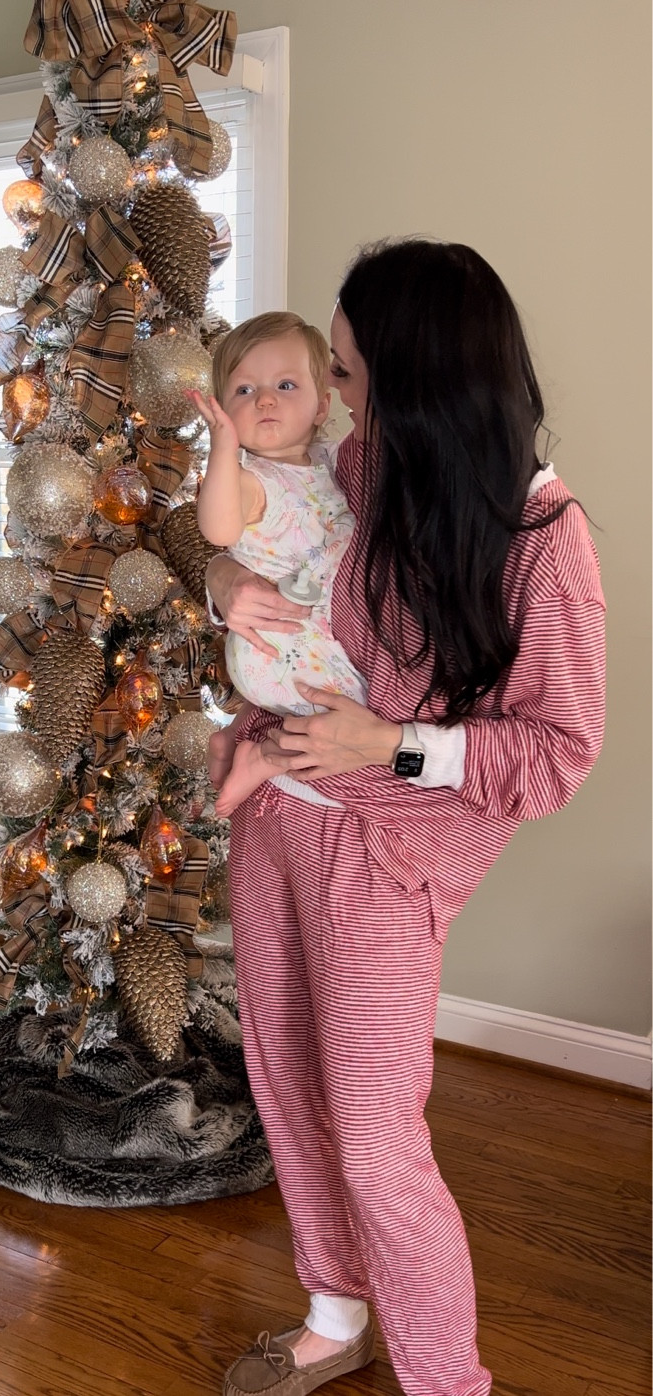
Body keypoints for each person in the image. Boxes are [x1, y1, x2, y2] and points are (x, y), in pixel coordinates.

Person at [206, 240, 606, 1396]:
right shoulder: (366, 465)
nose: (327, 398)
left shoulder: (540, 539)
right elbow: (253, 520)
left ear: (415, 376)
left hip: (384, 847)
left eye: (343, 372)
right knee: (282, 1078)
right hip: (270, 802)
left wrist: (384, 743)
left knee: (375, 1135)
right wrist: (215, 580)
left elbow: (557, 752)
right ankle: (334, 1312)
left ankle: (446, 1380)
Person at [191, 311, 368, 817]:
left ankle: (233, 740)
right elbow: (219, 530)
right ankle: (263, 758)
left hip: (317, 633)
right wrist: (223, 449)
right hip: (279, 643)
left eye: (285, 385)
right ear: (224, 409)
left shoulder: (332, 460)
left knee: (355, 713)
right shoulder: (251, 480)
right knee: (348, 717)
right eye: (244, 391)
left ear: (321, 406)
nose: (265, 400)